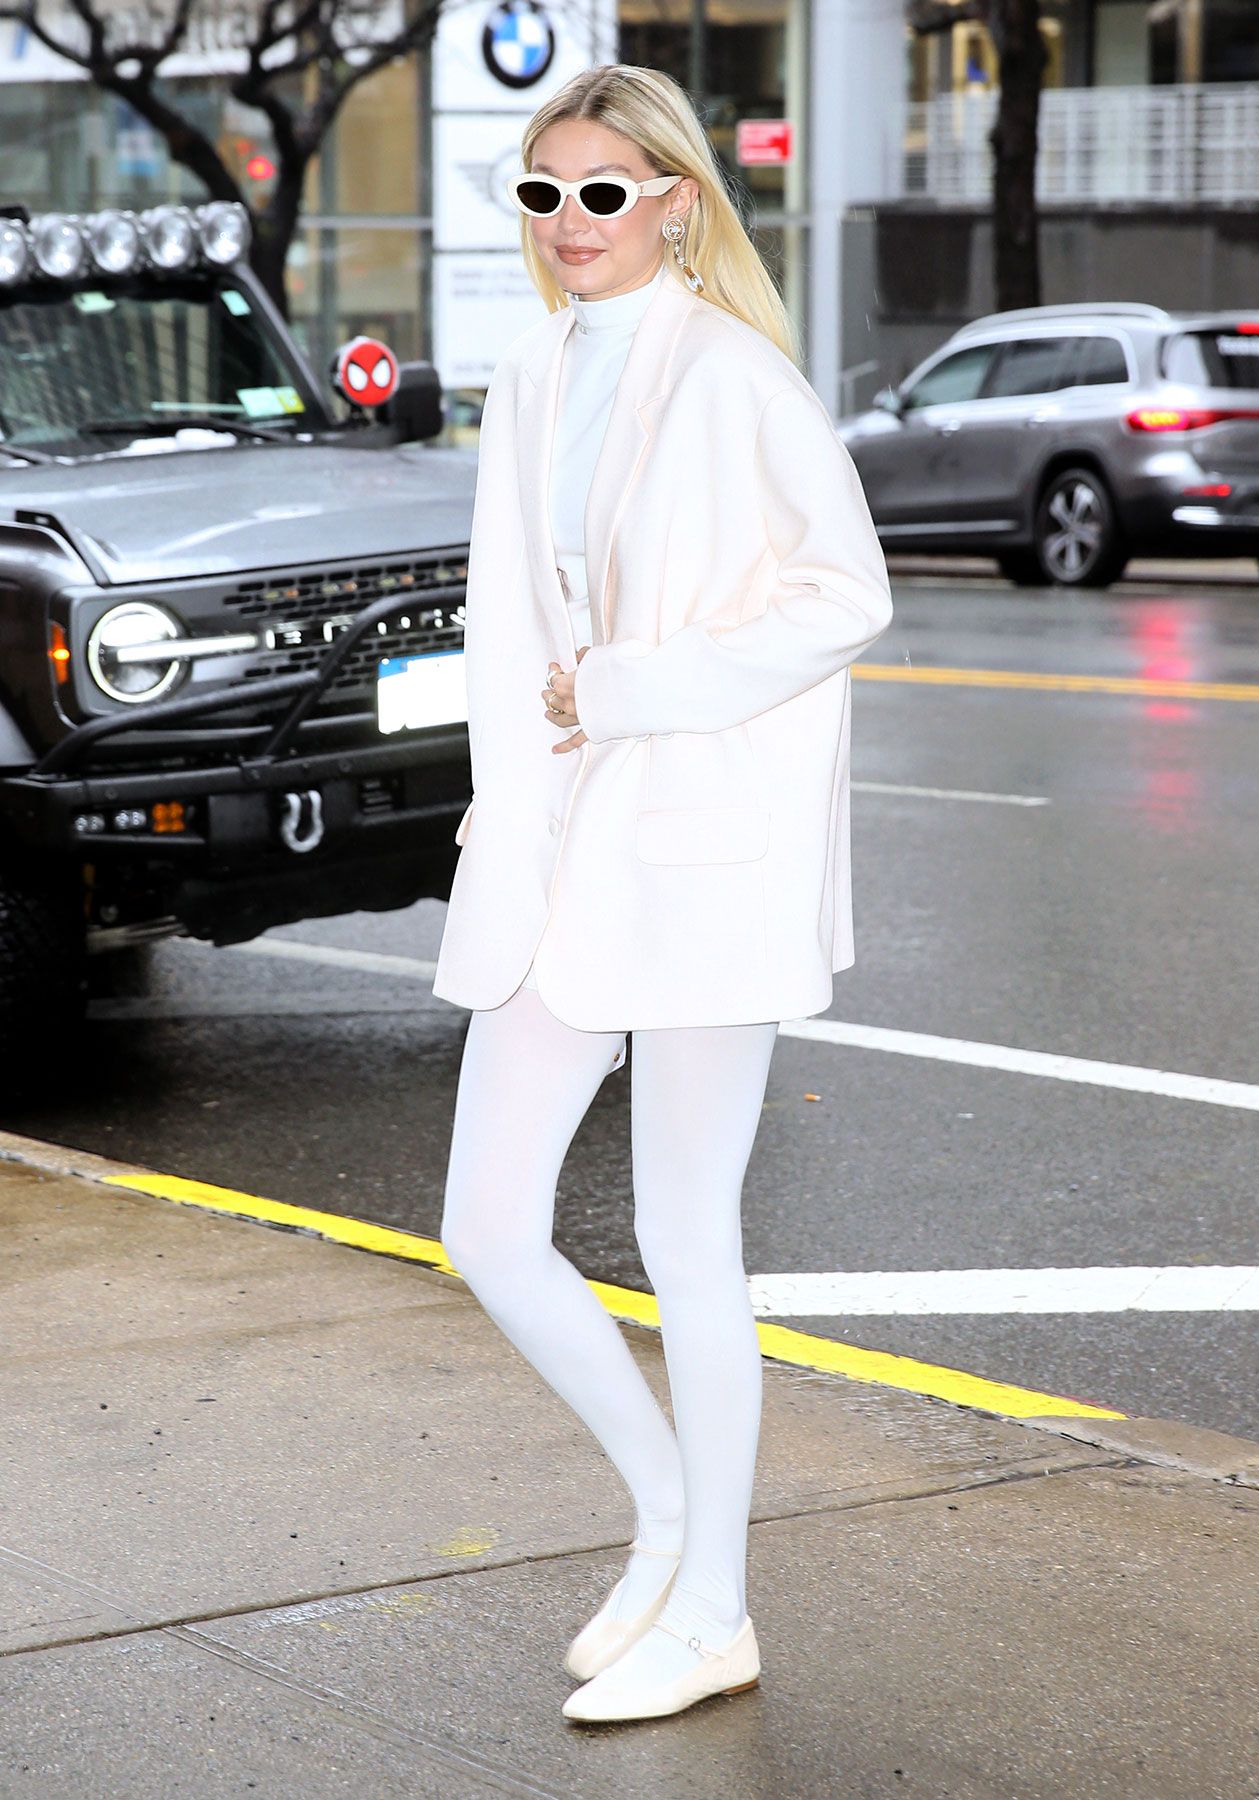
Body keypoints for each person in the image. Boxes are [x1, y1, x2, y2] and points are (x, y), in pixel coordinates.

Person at [433, 63, 893, 1723]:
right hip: (566, 847)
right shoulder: (532, 370)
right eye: (542, 194)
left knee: (688, 1237)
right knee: (488, 1223)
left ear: (677, 200)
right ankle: (670, 1519)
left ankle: (717, 1608)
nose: (569, 222)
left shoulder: (737, 379)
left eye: (602, 193)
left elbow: (849, 593)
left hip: (703, 848)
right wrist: (505, 815)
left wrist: (637, 687)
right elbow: (509, 633)